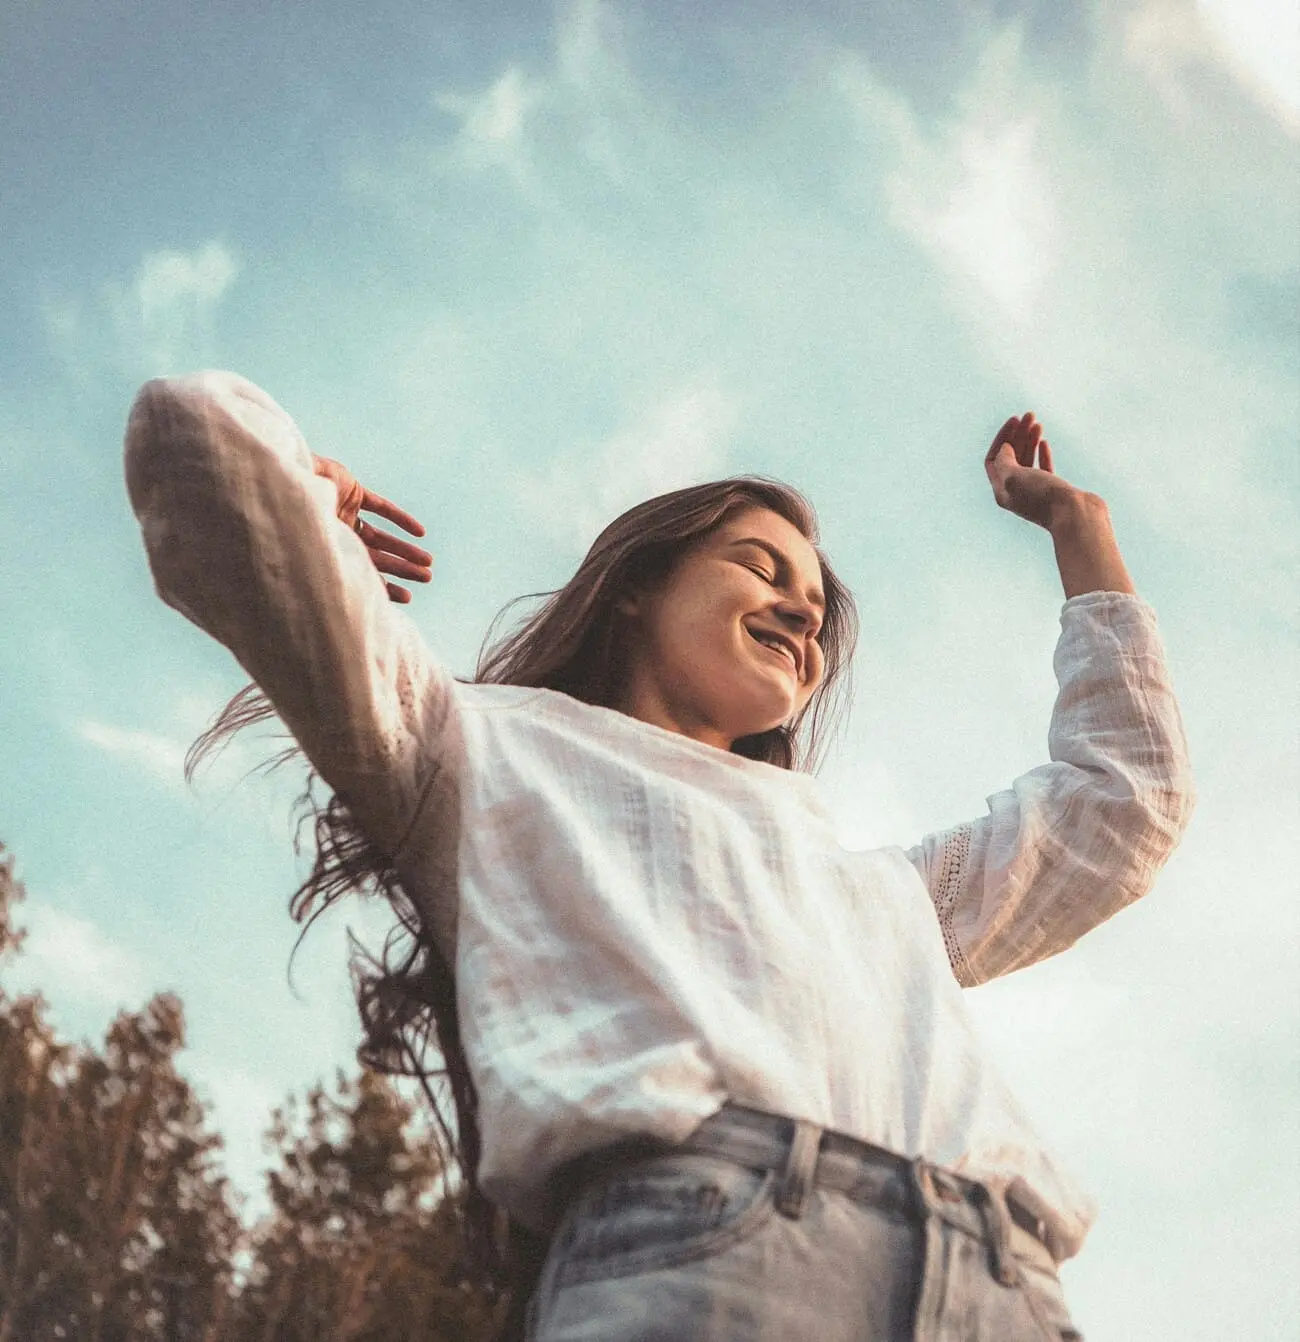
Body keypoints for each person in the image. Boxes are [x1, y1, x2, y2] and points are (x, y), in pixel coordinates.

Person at [125, 370, 1194, 1341]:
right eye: (759, 566)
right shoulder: (475, 747)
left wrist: (1079, 528)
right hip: (708, 1265)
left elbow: (1121, 807)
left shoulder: (885, 893)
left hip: (1003, 1286)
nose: (798, 613)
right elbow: (194, 442)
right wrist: (310, 503)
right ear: (638, 584)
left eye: (815, 610)